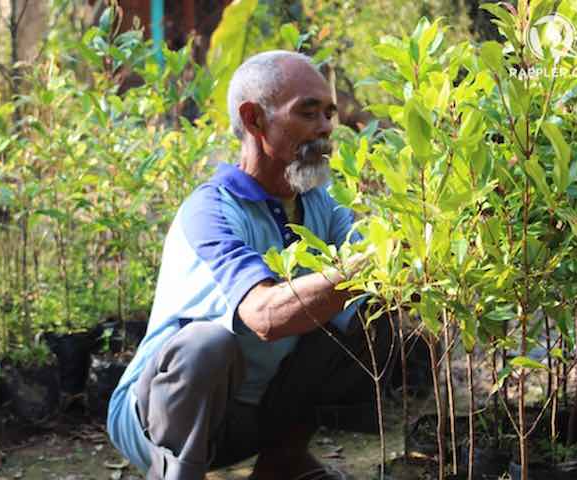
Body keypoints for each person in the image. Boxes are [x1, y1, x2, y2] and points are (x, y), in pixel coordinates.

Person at [107, 50, 393, 480]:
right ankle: (175, 472)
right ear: (255, 119)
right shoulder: (210, 211)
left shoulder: (323, 204)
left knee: (370, 316)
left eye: (329, 113)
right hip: (157, 422)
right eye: (309, 112)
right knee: (207, 346)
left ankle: (283, 460)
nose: (326, 127)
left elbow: (379, 271)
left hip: (255, 414)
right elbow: (263, 316)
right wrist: (372, 261)